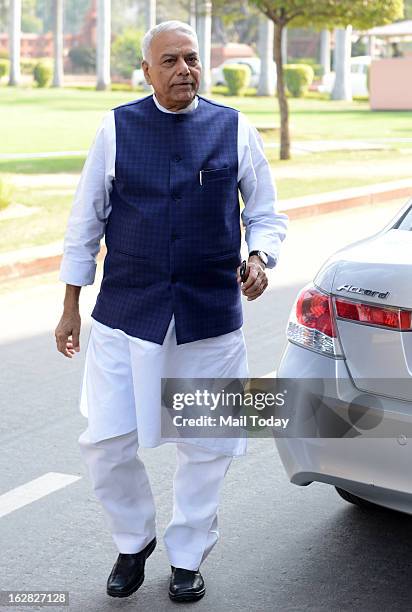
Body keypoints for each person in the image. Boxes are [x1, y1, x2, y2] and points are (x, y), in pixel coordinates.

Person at [55, 20, 288, 603]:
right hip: (124, 316)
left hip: (208, 319)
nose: (184, 69)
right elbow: (84, 225)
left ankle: (188, 554)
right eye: (170, 61)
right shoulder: (116, 129)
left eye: (191, 58)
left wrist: (259, 258)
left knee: (207, 445)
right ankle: (133, 540)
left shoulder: (235, 128)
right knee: (106, 442)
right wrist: (69, 307)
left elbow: (266, 214)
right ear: (146, 70)